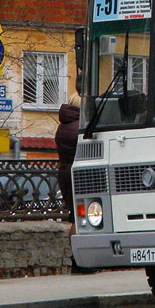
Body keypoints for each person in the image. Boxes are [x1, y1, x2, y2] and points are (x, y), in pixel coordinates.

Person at [56, 72, 93, 273]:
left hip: (65, 173)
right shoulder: (79, 127)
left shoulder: (64, 124)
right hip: (77, 174)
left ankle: (78, 261)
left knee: (75, 217)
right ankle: (80, 262)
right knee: (80, 217)